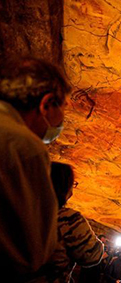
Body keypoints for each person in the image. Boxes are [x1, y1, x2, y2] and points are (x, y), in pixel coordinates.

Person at [0, 57, 71, 280]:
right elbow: (33, 250)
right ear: (47, 104)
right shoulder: (24, 145)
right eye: (64, 108)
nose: (62, 119)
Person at [46, 162, 104, 282]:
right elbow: (92, 255)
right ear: (65, 187)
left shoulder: (19, 211)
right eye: (72, 184)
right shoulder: (68, 219)